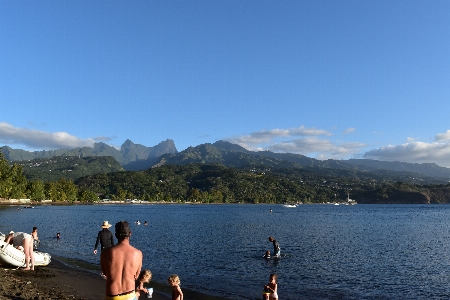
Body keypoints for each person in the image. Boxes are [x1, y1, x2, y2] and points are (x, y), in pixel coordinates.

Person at [101, 221, 143, 300]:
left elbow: (105, 273)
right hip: (130, 294)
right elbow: (136, 276)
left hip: (112, 296)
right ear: (130, 233)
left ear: (116, 235)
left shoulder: (105, 252)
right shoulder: (138, 253)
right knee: (137, 294)